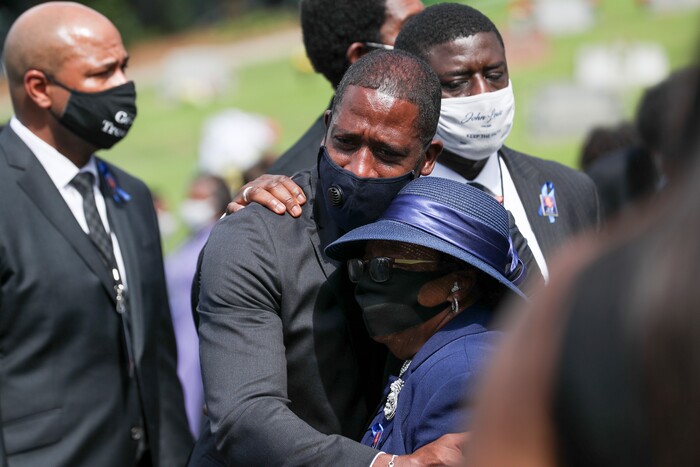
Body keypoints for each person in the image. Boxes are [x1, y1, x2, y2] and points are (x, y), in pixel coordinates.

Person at [191, 50, 465, 466]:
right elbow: (244, 417)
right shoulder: (253, 239)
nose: (359, 169)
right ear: (326, 128)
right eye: (345, 143)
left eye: (387, 154)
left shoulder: (446, 235)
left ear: (428, 158)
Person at [234, 3, 600, 290]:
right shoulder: (363, 193)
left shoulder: (569, 189)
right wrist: (248, 216)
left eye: (494, 75)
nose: (483, 97)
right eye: (456, 82)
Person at [0, 3, 192, 466]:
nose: (123, 87)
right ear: (40, 88)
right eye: (102, 73)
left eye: (124, 66)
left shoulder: (131, 194)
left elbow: (157, 353)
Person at [325, 176, 527, 455]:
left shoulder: (467, 375)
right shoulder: (430, 351)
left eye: (384, 267)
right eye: (362, 267)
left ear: (459, 283)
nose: (365, 283)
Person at [266, 0, 424, 176]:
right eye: (411, 27)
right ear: (363, 58)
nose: (430, 36)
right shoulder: (294, 186)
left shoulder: (447, 124)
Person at [165, 174, 230, 439]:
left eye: (199, 198)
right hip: (177, 342)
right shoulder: (189, 240)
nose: (190, 204)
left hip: (196, 346)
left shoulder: (218, 242)